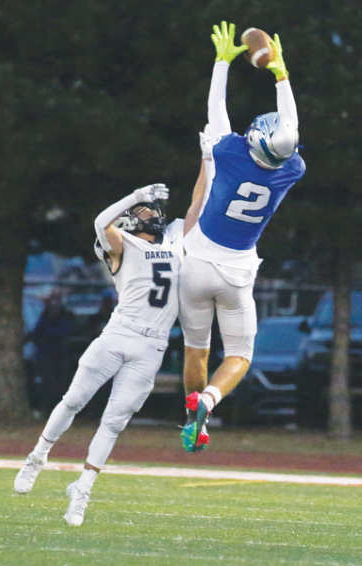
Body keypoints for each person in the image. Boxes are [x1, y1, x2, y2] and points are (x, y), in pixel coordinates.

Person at [14, 153, 208, 526]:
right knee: (73, 401)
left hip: (153, 346)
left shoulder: (173, 239)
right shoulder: (120, 244)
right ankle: (36, 458)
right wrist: (135, 195)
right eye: (145, 211)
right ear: (132, 220)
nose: (153, 213)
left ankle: (82, 488)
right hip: (118, 335)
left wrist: (208, 159)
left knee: (114, 422)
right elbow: (101, 221)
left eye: (151, 209)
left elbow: (198, 203)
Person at [179, 21, 306, 452]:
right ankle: (209, 402)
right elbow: (289, 128)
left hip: (196, 263)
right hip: (237, 271)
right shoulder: (292, 169)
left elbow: (217, 109)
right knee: (239, 356)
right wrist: (281, 73)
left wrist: (222, 63)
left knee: (197, 349)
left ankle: (189, 414)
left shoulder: (230, 152)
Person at [31, 290, 73, 414]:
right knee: (47, 383)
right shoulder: (44, 317)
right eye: (52, 300)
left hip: (60, 354)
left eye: (57, 300)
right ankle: (46, 409)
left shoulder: (66, 316)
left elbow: (65, 332)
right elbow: (37, 334)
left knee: (61, 383)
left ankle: (61, 410)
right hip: (46, 355)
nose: (54, 304)